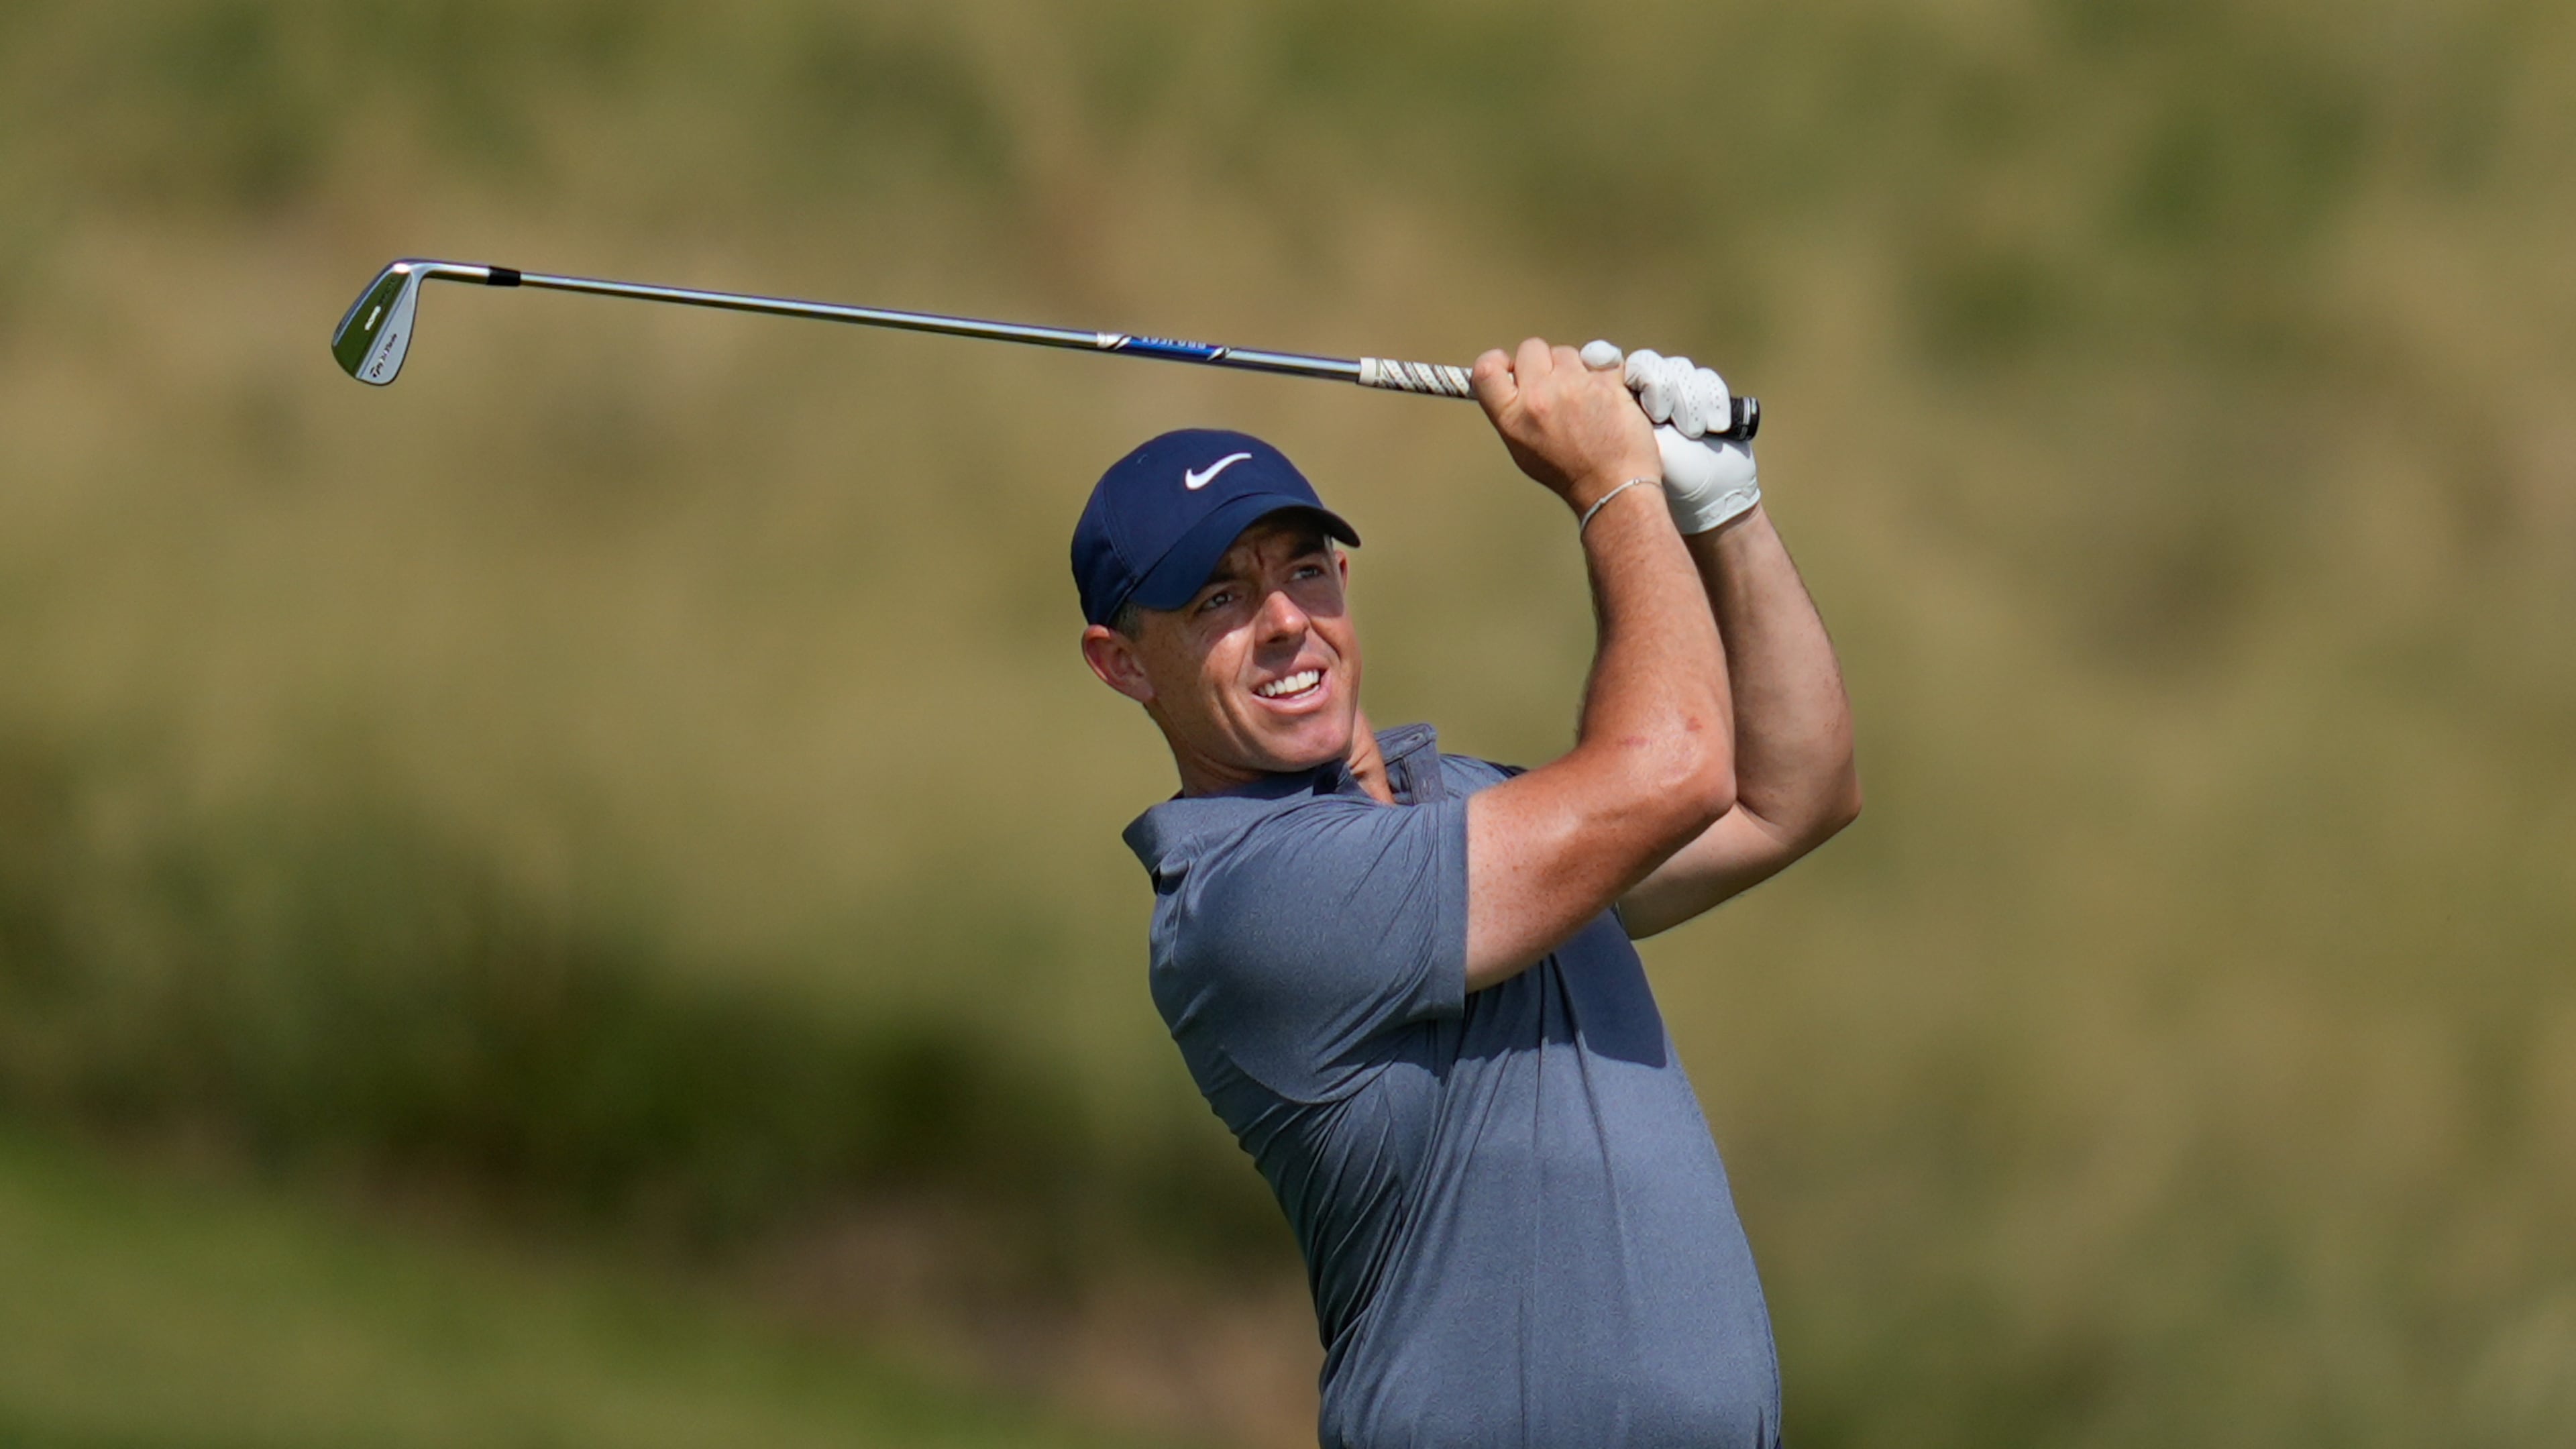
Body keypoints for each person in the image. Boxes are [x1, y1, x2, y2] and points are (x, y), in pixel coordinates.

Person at [1071, 336, 1860, 1448]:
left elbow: (1795, 793)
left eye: (1302, 569)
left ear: (1344, 581)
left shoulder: (1474, 808)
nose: (1286, 621)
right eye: (1218, 599)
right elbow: (1675, 767)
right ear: (1123, 664)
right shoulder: (1247, 903)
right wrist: (1614, 487)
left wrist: (1726, 509)